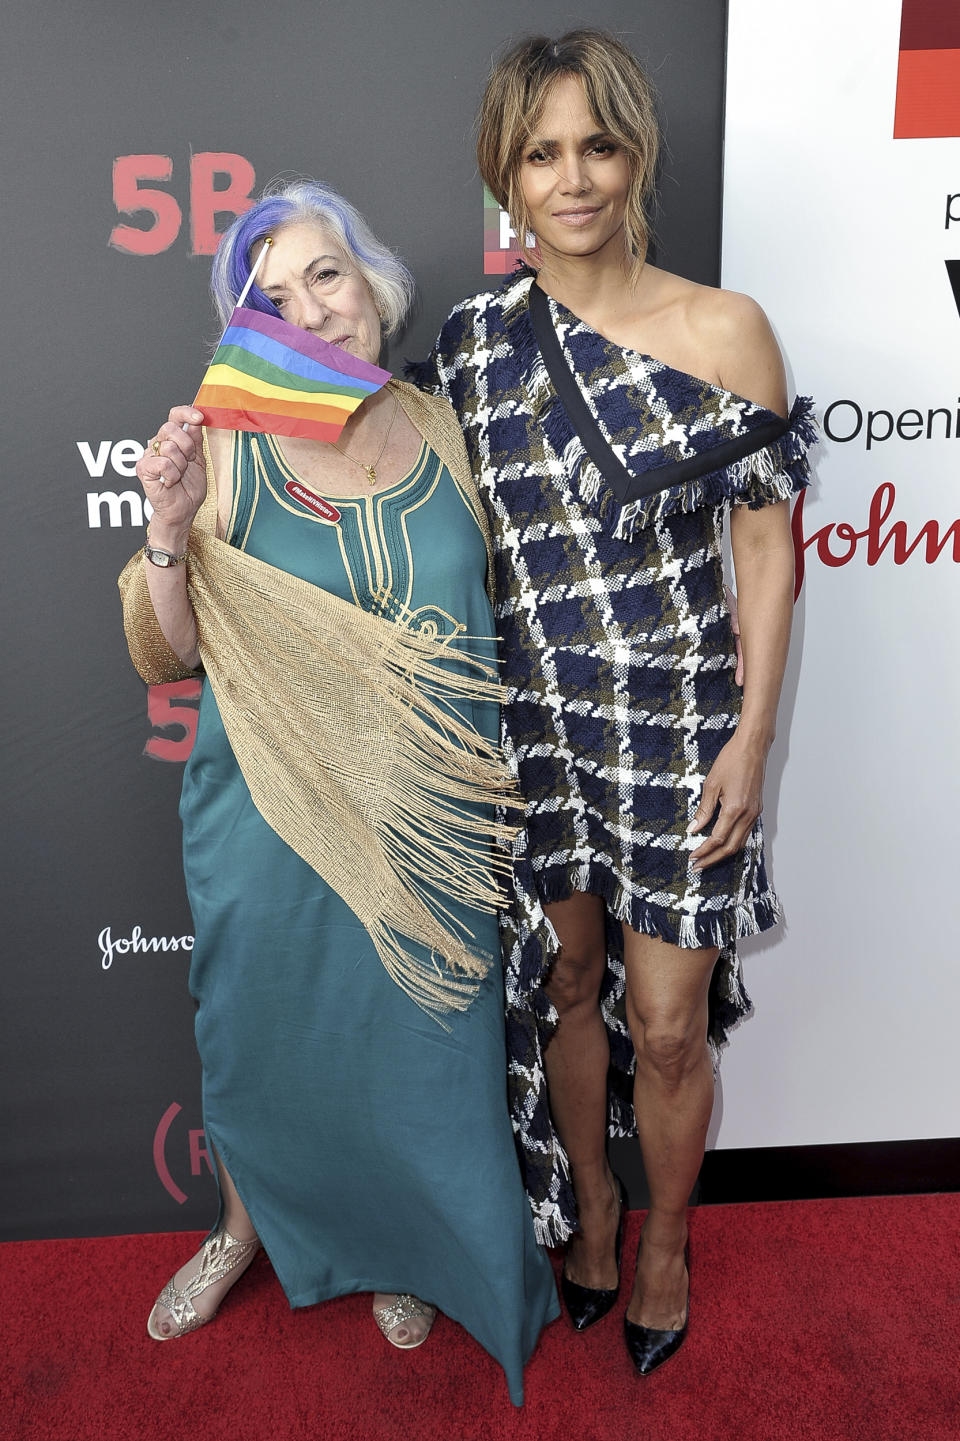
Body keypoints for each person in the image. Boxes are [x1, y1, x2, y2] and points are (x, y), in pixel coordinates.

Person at [118, 180, 558, 1406]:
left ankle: (400, 1247)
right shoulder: (225, 437)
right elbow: (168, 650)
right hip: (271, 816)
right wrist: (167, 530)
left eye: (325, 275)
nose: (308, 307)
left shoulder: (445, 423)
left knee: (418, 1044)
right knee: (266, 1038)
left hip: (430, 820)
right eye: (269, 297)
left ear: (373, 285)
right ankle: (239, 1232)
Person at [416, 30, 816, 1375]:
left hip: (682, 728)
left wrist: (751, 739)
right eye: (542, 154)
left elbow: (767, 547)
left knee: (663, 1018)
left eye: (597, 145)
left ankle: (662, 1242)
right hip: (530, 732)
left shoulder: (724, 328)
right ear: (505, 181)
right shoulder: (471, 349)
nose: (573, 178)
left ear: (635, 154)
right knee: (567, 983)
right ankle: (588, 1204)